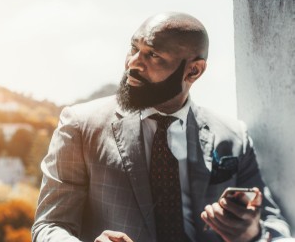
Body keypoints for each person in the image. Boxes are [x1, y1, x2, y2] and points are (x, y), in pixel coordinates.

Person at [31, 12, 291, 242]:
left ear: (193, 71)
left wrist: (253, 234)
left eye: (153, 55)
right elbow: (49, 226)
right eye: (133, 48)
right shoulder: (80, 125)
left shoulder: (233, 136)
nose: (133, 63)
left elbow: (276, 228)